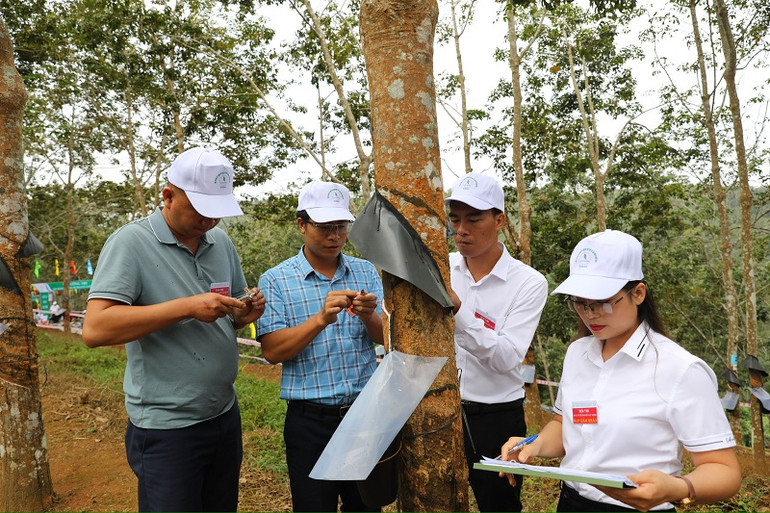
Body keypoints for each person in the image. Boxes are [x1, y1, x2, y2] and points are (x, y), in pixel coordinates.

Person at [501, 229, 741, 512]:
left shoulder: (680, 369)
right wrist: (534, 446)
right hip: (571, 502)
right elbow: (564, 424)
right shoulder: (578, 353)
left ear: (637, 293)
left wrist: (678, 489)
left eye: (602, 302)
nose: (590, 314)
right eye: (580, 303)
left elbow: (724, 471)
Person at [82, 147, 266, 512]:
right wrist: (187, 307)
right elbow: (96, 328)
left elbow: (229, 312)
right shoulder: (131, 243)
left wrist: (246, 311)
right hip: (167, 427)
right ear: (168, 196)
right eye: (200, 209)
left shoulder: (220, 242)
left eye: (217, 210)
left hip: (223, 413)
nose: (209, 220)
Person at [257, 180, 384, 512]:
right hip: (309, 423)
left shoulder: (365, 272)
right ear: (302, 225)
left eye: (341, 227)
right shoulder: (276, 280)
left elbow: (386, 337)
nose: (335, 236)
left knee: (366, 506)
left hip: (363, 416)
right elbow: (272, 351)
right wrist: (320, 319)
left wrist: (369, 316)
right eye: (325, 227)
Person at [445, 173, 548, 512]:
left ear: (500, 220)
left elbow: (506, 358)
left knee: (499, 505)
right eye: (455, 220)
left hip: (496, 418)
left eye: (474, 219)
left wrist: (459, 311)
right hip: (439, 410)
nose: (462, 230)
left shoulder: (528, 283)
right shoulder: (443, 267)